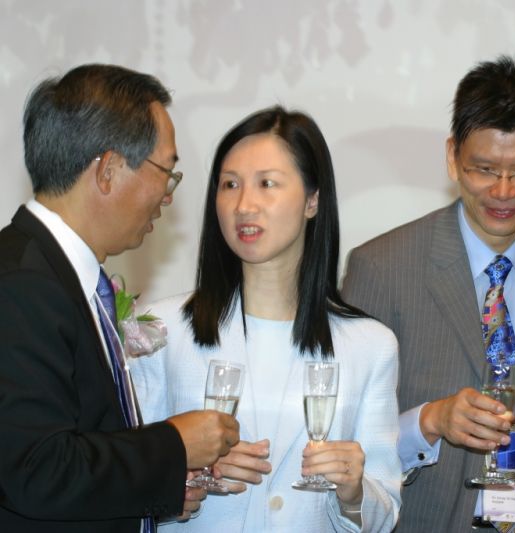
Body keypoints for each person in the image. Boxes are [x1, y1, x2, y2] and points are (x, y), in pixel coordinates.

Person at [342, 55, 515, 532]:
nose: (503, 191)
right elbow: (346, 442)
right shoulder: (381, 268)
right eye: (484, 169)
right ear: (452, 157)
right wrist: (428, 421)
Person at [128, 105, 402, 532]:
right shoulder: (162, 331)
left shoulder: (370, 345)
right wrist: (186, 479)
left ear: (312, 200)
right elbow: (127, 486)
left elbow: (384, 514)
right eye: (230, 184)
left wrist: (354, 491)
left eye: (267, 184)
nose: (244, 205)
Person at [0, 64, 240, 532]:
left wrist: (156, 490)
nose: (167, 196)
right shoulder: (22, 284)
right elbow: (36, 468)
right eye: (166, 172)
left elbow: (78, 450)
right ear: (108, 170)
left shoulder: (57, 274)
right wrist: (173, 444)